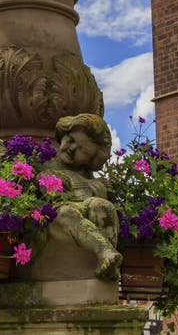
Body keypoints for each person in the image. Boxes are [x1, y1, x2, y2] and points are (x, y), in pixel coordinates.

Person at [46, 113, 122, 280]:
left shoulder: (87, 176)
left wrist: (99, 192)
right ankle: (105, 251)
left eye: (83, 151)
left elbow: (96, 198)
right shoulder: (45, 162)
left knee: (103, 206)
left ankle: (108, 268)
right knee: (65, 213)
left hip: (81, 209)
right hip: (58, 217)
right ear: (63, 133)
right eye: (71, 140)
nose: (71, 149)